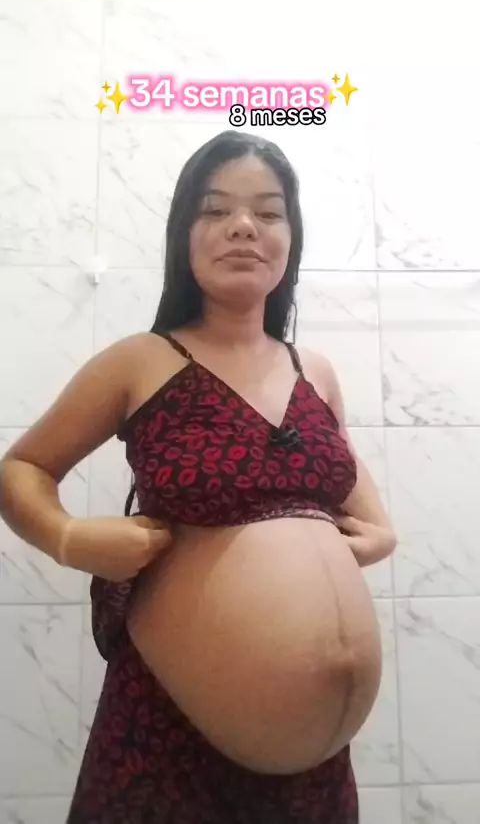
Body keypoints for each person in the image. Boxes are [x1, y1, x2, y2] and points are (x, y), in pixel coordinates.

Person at [0, 130, 396, 824]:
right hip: (167, 738)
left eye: (268, 212)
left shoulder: (314, 372)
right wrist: (66, 537)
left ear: (291, 238)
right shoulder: (141, 360)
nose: (243, 225)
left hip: (314, 776)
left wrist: (374, 536)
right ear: (184, 234)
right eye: (216, 209)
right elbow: (22, 468)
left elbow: (352, 487)